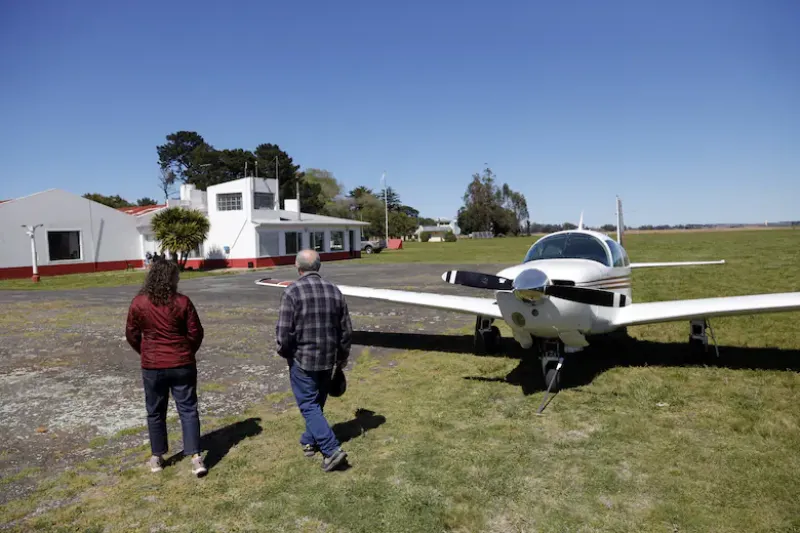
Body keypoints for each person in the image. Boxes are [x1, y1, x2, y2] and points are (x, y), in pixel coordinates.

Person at [125, 259, 207, 476]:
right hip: (181, 363)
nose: (179, 279)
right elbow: (196, 332)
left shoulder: (139, 303)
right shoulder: (182, 302)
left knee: (155, 411)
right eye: (176, 275)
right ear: (170, 279)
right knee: (188, 409)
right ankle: (196, 457)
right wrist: (186, 350)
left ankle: (157, 457)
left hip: (153, 365)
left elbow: (132, 334)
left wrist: (145, 352)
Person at [276, 248, 352, 472]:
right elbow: (346, 330)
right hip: (328, 358)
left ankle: (331, 450)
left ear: (298, 267)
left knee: (309, 404)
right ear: (318, 267)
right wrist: (342, 357)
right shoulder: (334, 291)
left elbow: (283, 332)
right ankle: (309, 441)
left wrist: (286, 352)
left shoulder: (292, 291)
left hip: (303, 359)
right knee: (316, 403)